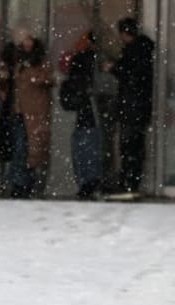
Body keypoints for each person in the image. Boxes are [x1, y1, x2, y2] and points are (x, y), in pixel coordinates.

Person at [103, 17, 154, 199]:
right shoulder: (144, 50)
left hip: (132, 106)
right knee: (134, 145)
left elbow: (132, 76)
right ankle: (131, 182)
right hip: (138, 106)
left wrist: (115, 68)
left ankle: (129, 182)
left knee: (129, 146)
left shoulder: (135, 52)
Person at [9, 32, 55, 198]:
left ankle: (28, 185)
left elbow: (49, 79)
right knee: (21, 150)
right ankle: (20, 184)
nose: (26, 44)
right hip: (21, 112)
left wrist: (34, 77)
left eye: (29, 40)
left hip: (35, 112)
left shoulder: (40, 62)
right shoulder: (19, 61)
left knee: (33, 151)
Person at [62, 30, 103, 199]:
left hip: (84, 110)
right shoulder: (92, 60)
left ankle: (88, 181)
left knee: (84, 144)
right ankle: (90, 181)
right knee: (88, 144)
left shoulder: (83, 59)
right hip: (86, 110)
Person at [0, 41, 17, 195]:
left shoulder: (9, 71)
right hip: (10, 113)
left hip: (11, 113)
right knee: (10, 146)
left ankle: (7, 180)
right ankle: (8, 181)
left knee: (9, 147)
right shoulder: (8, 71)